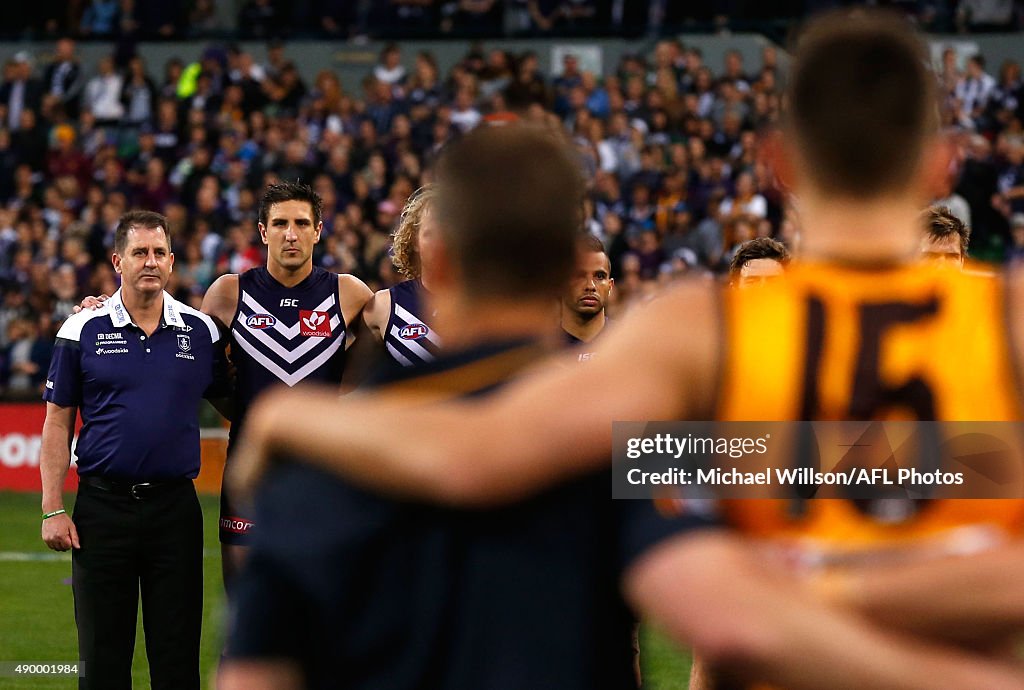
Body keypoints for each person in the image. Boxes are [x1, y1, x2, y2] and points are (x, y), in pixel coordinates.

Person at [232, 12, 1024, 689]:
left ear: (780, 163)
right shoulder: (1010, 324)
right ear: (942, 163)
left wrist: (290, 422)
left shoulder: (702, 328)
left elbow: (484, 448)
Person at [222, 124, 687, 690]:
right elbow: (743, 621)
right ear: (562, 268)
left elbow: (252, 678)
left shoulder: (312, 466)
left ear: (435, 263)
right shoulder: (605, 449)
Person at [77, 182, 373, 589]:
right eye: (281, 223)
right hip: (251, 471)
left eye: (302, 223)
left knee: (325, 611)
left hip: (322, 472)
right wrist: (103, 307)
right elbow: (174, 343)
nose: (291, 233)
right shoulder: (228, 293)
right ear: (262, 231)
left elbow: (387, 342)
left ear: (319, 230)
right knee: (245, 608)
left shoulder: (350, 293)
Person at [40, 210, 227, 690]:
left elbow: (242, 407)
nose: (151, 262)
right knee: (102, 661)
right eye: (140, 253)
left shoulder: (201, 332)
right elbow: (57, 423)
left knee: (177, 658)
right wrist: (51, 508)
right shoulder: (79, 330)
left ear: (172, 262)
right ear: (117, 261)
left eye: (160, 253)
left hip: (176, 511)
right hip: (102, 509)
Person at [346, 184, 440, 375]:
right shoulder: (385, 306)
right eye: (432, 233)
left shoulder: (490, 302)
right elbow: (345, 381)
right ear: (414, 241)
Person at [560, 233, 613, 362]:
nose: (590, 286)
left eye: (599, 276)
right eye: (579, 276)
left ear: (610, 286)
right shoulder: (537, 352)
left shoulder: (628, 344)